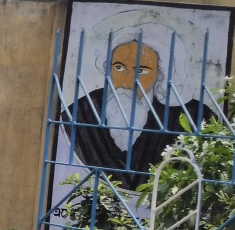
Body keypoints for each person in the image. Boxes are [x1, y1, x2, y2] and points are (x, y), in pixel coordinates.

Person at [64, 27, 201, 190]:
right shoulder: (80, 112)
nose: (127, 81)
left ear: (161, 74)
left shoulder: (191, 116)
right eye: (119, 68)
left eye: (141, 71)